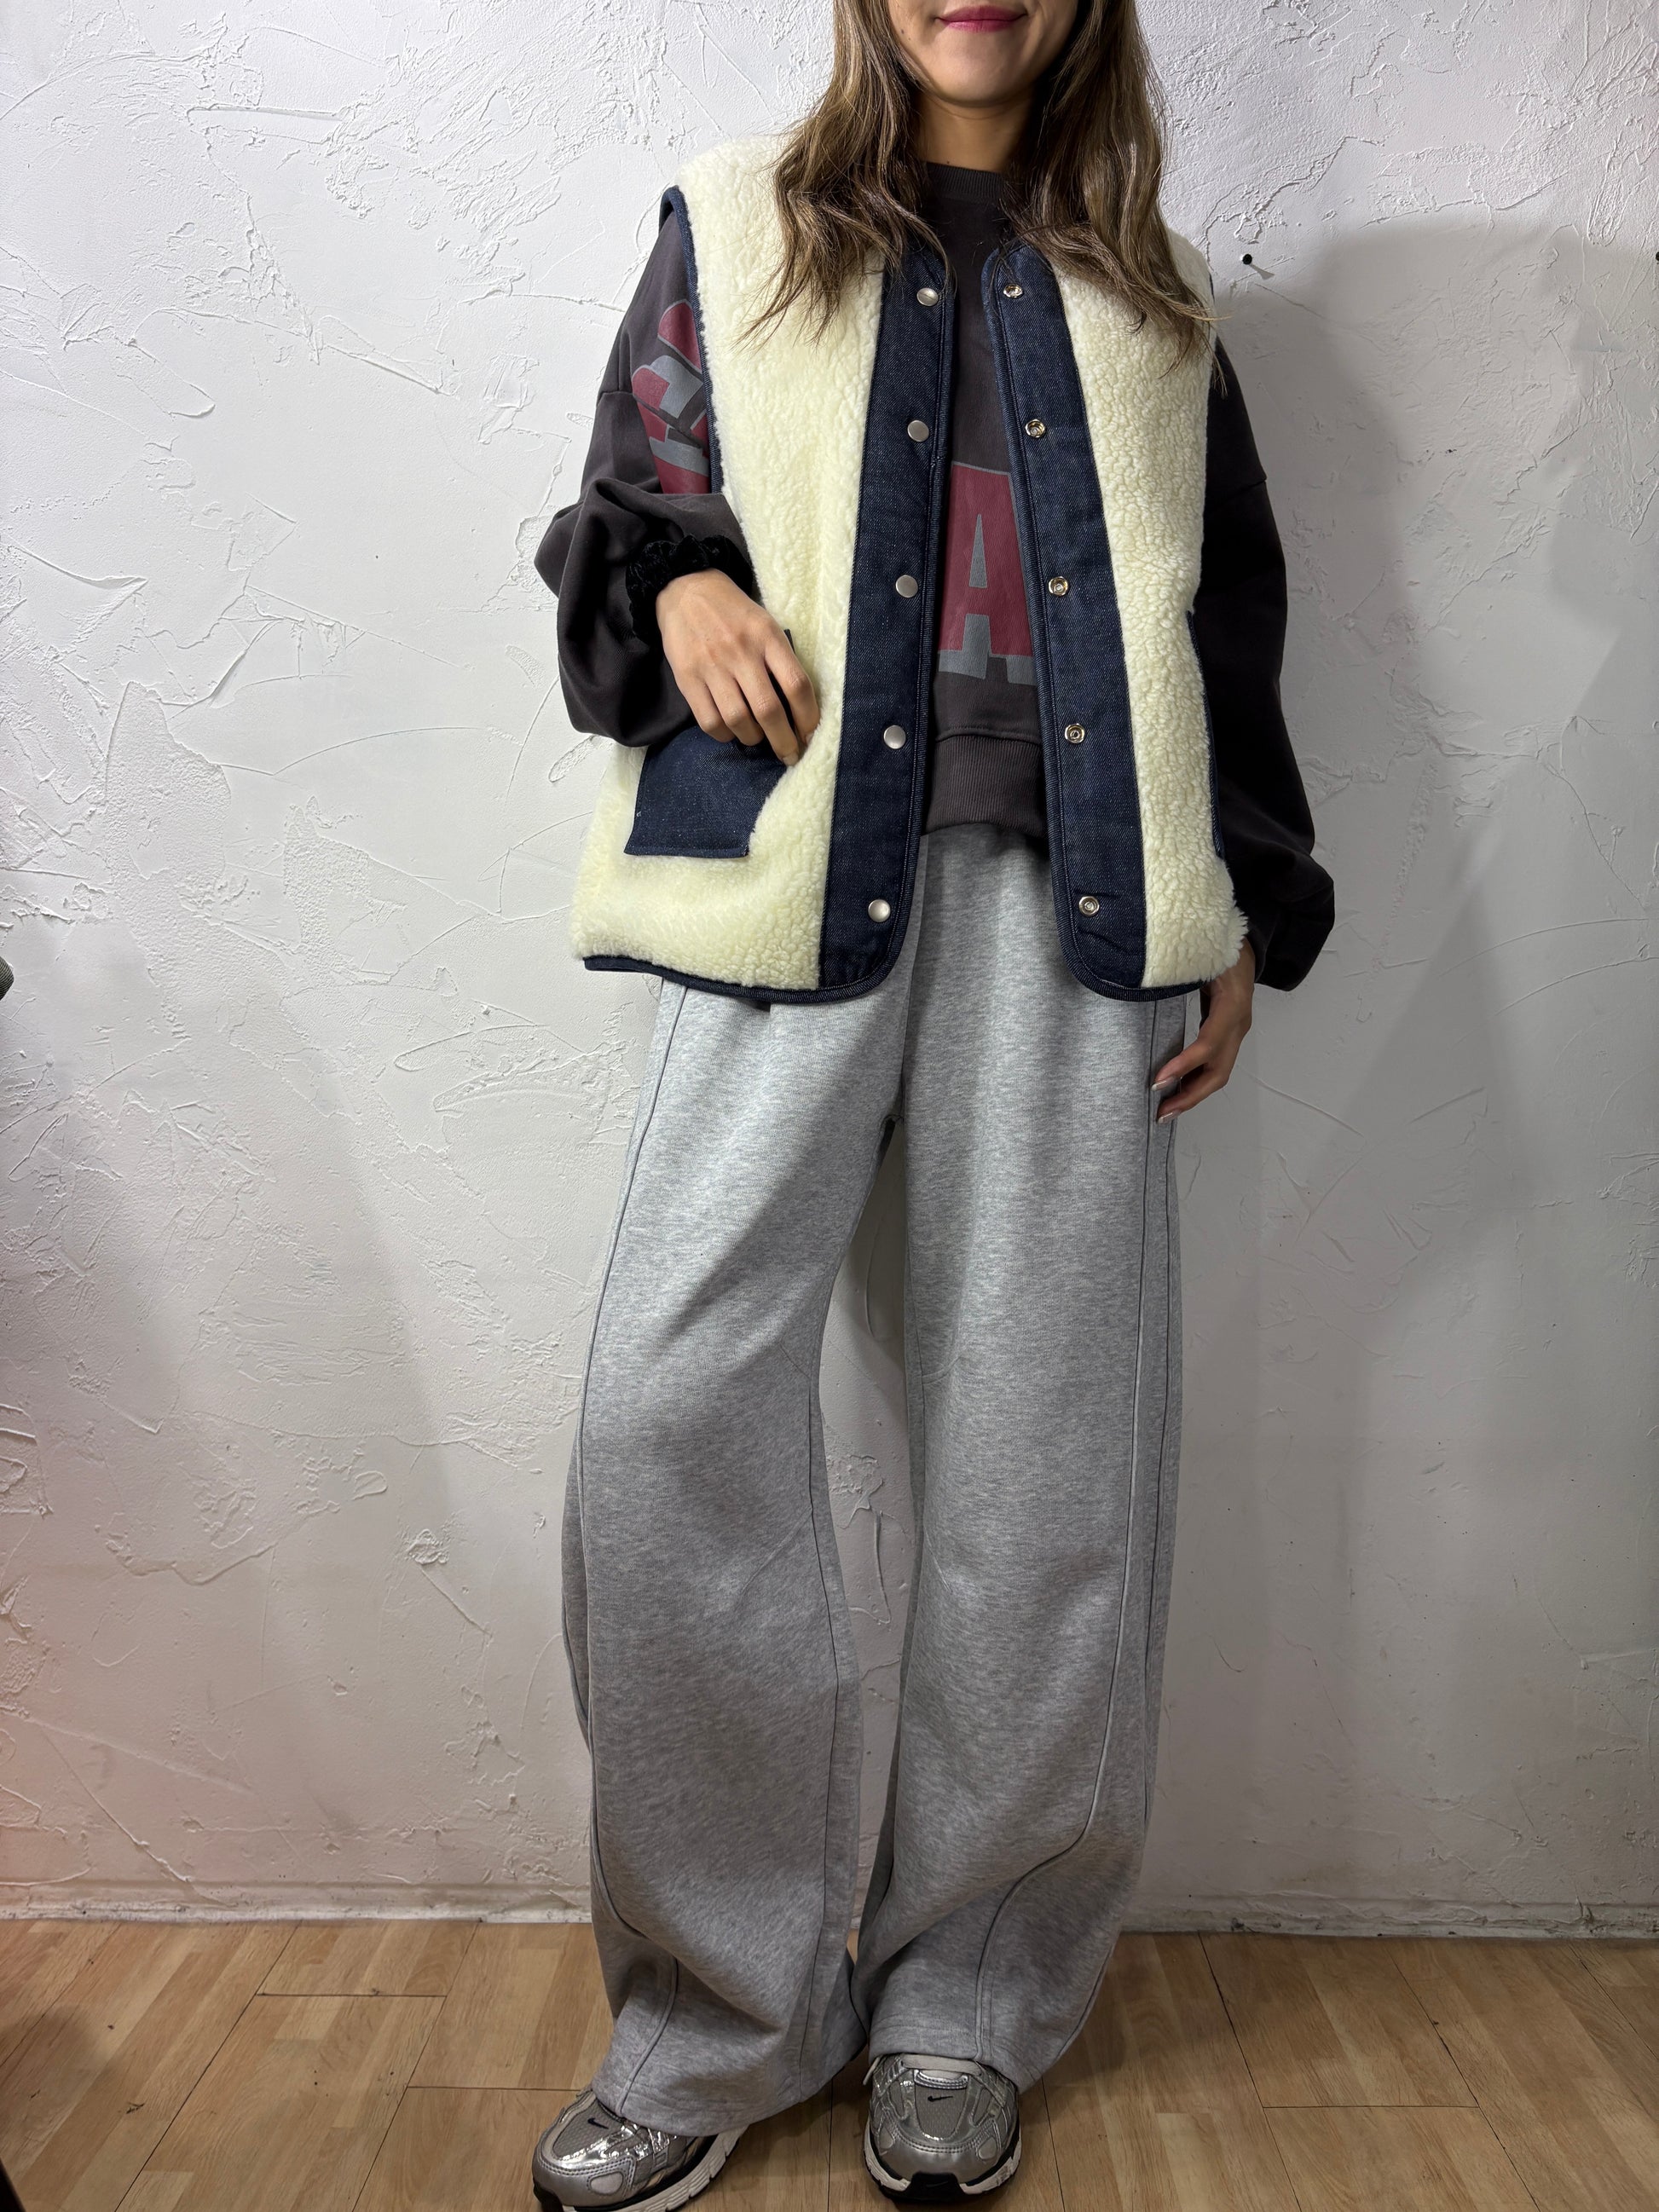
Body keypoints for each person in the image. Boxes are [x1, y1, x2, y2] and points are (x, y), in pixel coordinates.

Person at [529, 0, 1333, 2202]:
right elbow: (628, 508)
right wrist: (688, 579)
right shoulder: (731, 227)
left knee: (1045, 1456)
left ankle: (968, 1996)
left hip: (1084, 919)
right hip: (793, 885)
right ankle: (712, 2014)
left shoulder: (1156, 297)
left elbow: (1224, 625)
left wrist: (1244, 897)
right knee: (662, 1415)